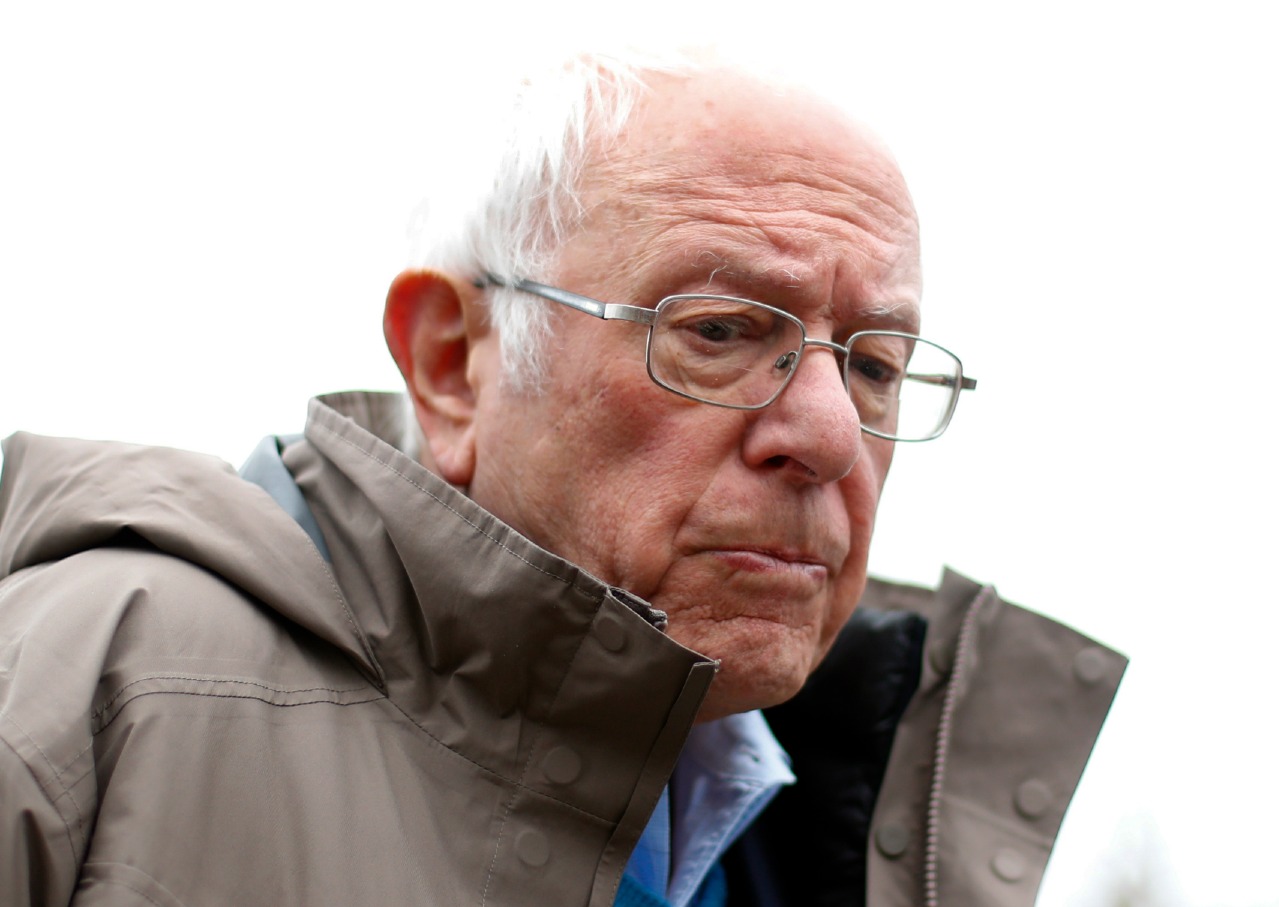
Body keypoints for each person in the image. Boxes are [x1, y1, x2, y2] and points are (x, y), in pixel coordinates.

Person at [0, 49, 1123, 907]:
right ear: (453, 364)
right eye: (721, 329)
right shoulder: (94, 680)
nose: (829, 433)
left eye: (875, 364)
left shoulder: (859, 829)